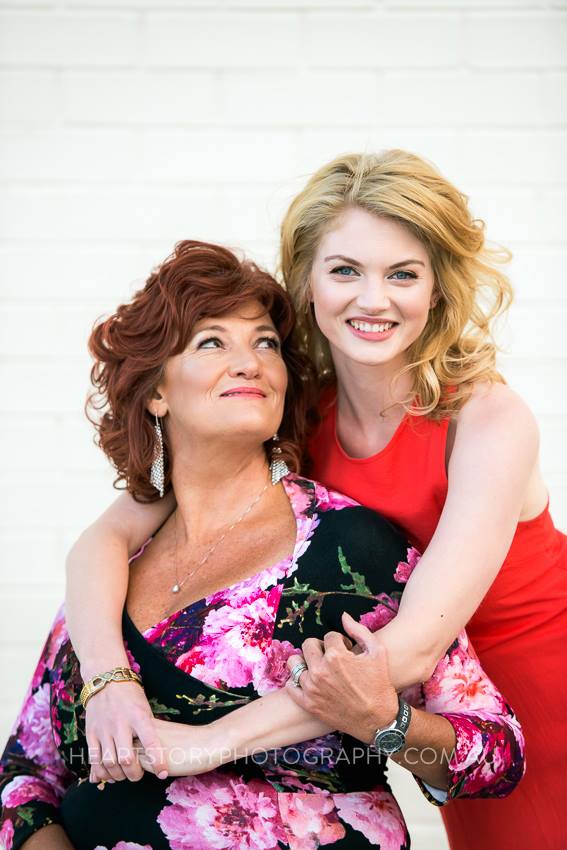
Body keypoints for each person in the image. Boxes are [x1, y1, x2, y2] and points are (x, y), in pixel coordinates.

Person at [62, 151, 566, 850]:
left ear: (436, 289)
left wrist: (207, 743)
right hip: (442, 708)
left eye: (402, 274)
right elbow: (104, 539)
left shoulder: (487, 420)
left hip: (534, 685)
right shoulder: (297, 412)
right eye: (345, 271)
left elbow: (409, 652)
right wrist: (106, 677)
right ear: (306, 281)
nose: (373, 299)